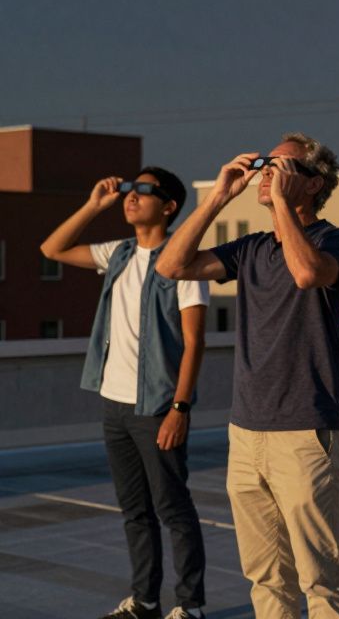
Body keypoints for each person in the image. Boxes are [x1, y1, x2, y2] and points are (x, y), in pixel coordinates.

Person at [156, 133, 339, 618]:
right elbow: (171, 265)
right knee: (266, 577)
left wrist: (284, 209)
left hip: (306, 432)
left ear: (313, 184)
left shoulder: (338, 240)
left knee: (321, 577)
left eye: (280, 166)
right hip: (246, 432)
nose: (265, 171)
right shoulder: (250, 249)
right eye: (264, 164)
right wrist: (218, 197)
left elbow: (309, 274)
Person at [41, 168, 209, 619]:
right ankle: (146, 601)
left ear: (170, 206)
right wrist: (95, 205)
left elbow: (195, 342)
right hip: (114, 403)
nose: (131, 197)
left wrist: (180, 407)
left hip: (156, 405)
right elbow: (51, 249)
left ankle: (190, 607)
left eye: (143, 191)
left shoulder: (185, 260)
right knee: (134, 511)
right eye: (130, 191)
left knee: (173, 509)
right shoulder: (119, 252)